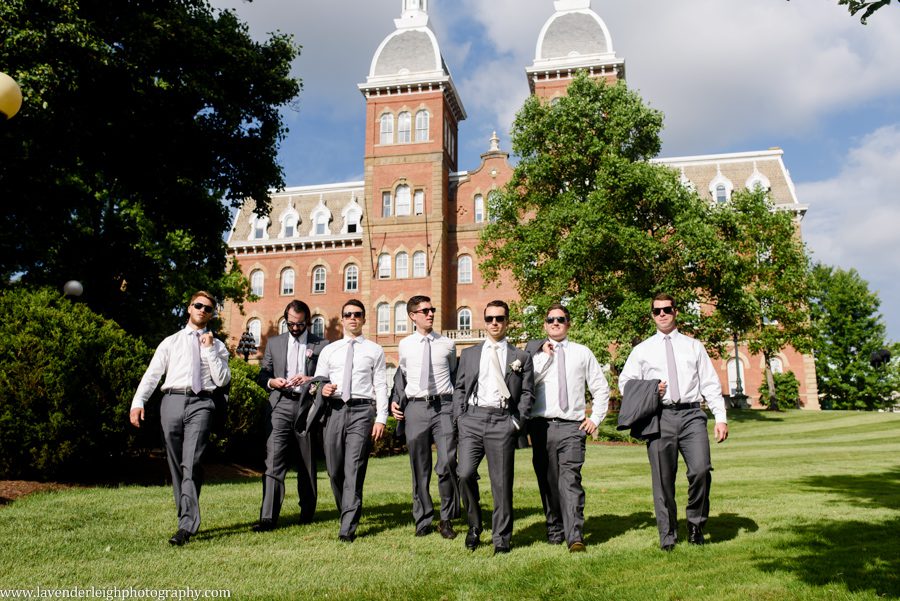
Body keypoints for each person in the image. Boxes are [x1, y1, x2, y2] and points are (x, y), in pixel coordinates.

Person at [618, 293, 729, 551]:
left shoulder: (694, 346)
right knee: (663, 479)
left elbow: (710, 383)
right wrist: (650, 389)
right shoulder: (642, 350)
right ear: (652, 316)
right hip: (660, 417)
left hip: (692, 416)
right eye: (657, 311)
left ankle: (695, 524)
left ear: (675, 311)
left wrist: (720, 418)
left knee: (701, 470)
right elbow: (625, 383)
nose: (662, 314)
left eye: (667, 309)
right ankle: (667, 535)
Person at [129, 291, 231, 546]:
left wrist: (208, 349)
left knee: (192, 462)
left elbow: (222, 380)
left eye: (208, 308)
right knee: (176, 464)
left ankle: (186, 525)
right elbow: (153, 374)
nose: (202, 310)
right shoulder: (171, 342)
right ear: (189, 308)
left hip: (202, 403)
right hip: (172, 401)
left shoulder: (218, 346)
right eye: (198, 305)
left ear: (212, 314)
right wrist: (138, 402)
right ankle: (185, 515)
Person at [525, 303, 610, 552]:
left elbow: (600, 387)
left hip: (573, 427)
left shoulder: (582, 353)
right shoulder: (535, 355)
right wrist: (545, 358)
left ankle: (575, 536)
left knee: (570, 480)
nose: (555, 323)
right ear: (545, 325)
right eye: (551, 319)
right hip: (541, 427)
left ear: (568, 323)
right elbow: (526, 384)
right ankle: (555, 529)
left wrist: (595, 418)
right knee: (548, 480)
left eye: (560, 319)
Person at [453, 300, 534, 554]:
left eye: (499, 318)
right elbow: (460, 388)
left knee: (501, 483)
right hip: (472, 420)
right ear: (484, 321)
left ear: (507, 321)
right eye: (490, 319)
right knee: (464, 473)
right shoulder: (469, 354)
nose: (494, 323)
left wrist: (516, 422)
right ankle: (474, 525)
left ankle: (501, 539)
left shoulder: (520, 357)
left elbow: (528, 393)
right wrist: (460, 418)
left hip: (502, 421)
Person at [253, 300, 330, 532]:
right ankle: (268, 517)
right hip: (280, 404)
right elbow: (263, 374)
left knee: (306, 461)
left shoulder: (322, 345)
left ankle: (307, 512)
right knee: (273, 460)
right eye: (291, 324)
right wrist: (272, 381)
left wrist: (311, 380)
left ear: (308, 322)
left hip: (307, 406)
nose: (295, 328)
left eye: (300, 324)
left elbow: (328, 376)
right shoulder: (274, 343)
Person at [315, 300, 388, 542]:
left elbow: (381, 385)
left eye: (357, 314)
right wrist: (323, 388)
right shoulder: (330, 350)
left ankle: (347, 527)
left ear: (364, 319)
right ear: (342, 319)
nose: (352, 318)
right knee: (334, 470)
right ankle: (345, 508)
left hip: (362, 411)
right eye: (348, 314)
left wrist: (381, 418)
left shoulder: (375, 350)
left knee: (354, 469)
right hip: (335, 410)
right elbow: (317, 382)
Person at [391, 295, 460, 539]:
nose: (431, 314)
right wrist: (395, 400)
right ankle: (423, 519)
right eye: (425, 311)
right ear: (413, 316)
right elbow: (402, 375)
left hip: (444, 407)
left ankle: (446, 519)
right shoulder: (405, 345)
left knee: (447, 462)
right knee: (419, 467)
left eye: (432, 310)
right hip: (416, 408)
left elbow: (454, 374)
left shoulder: (447, 344)